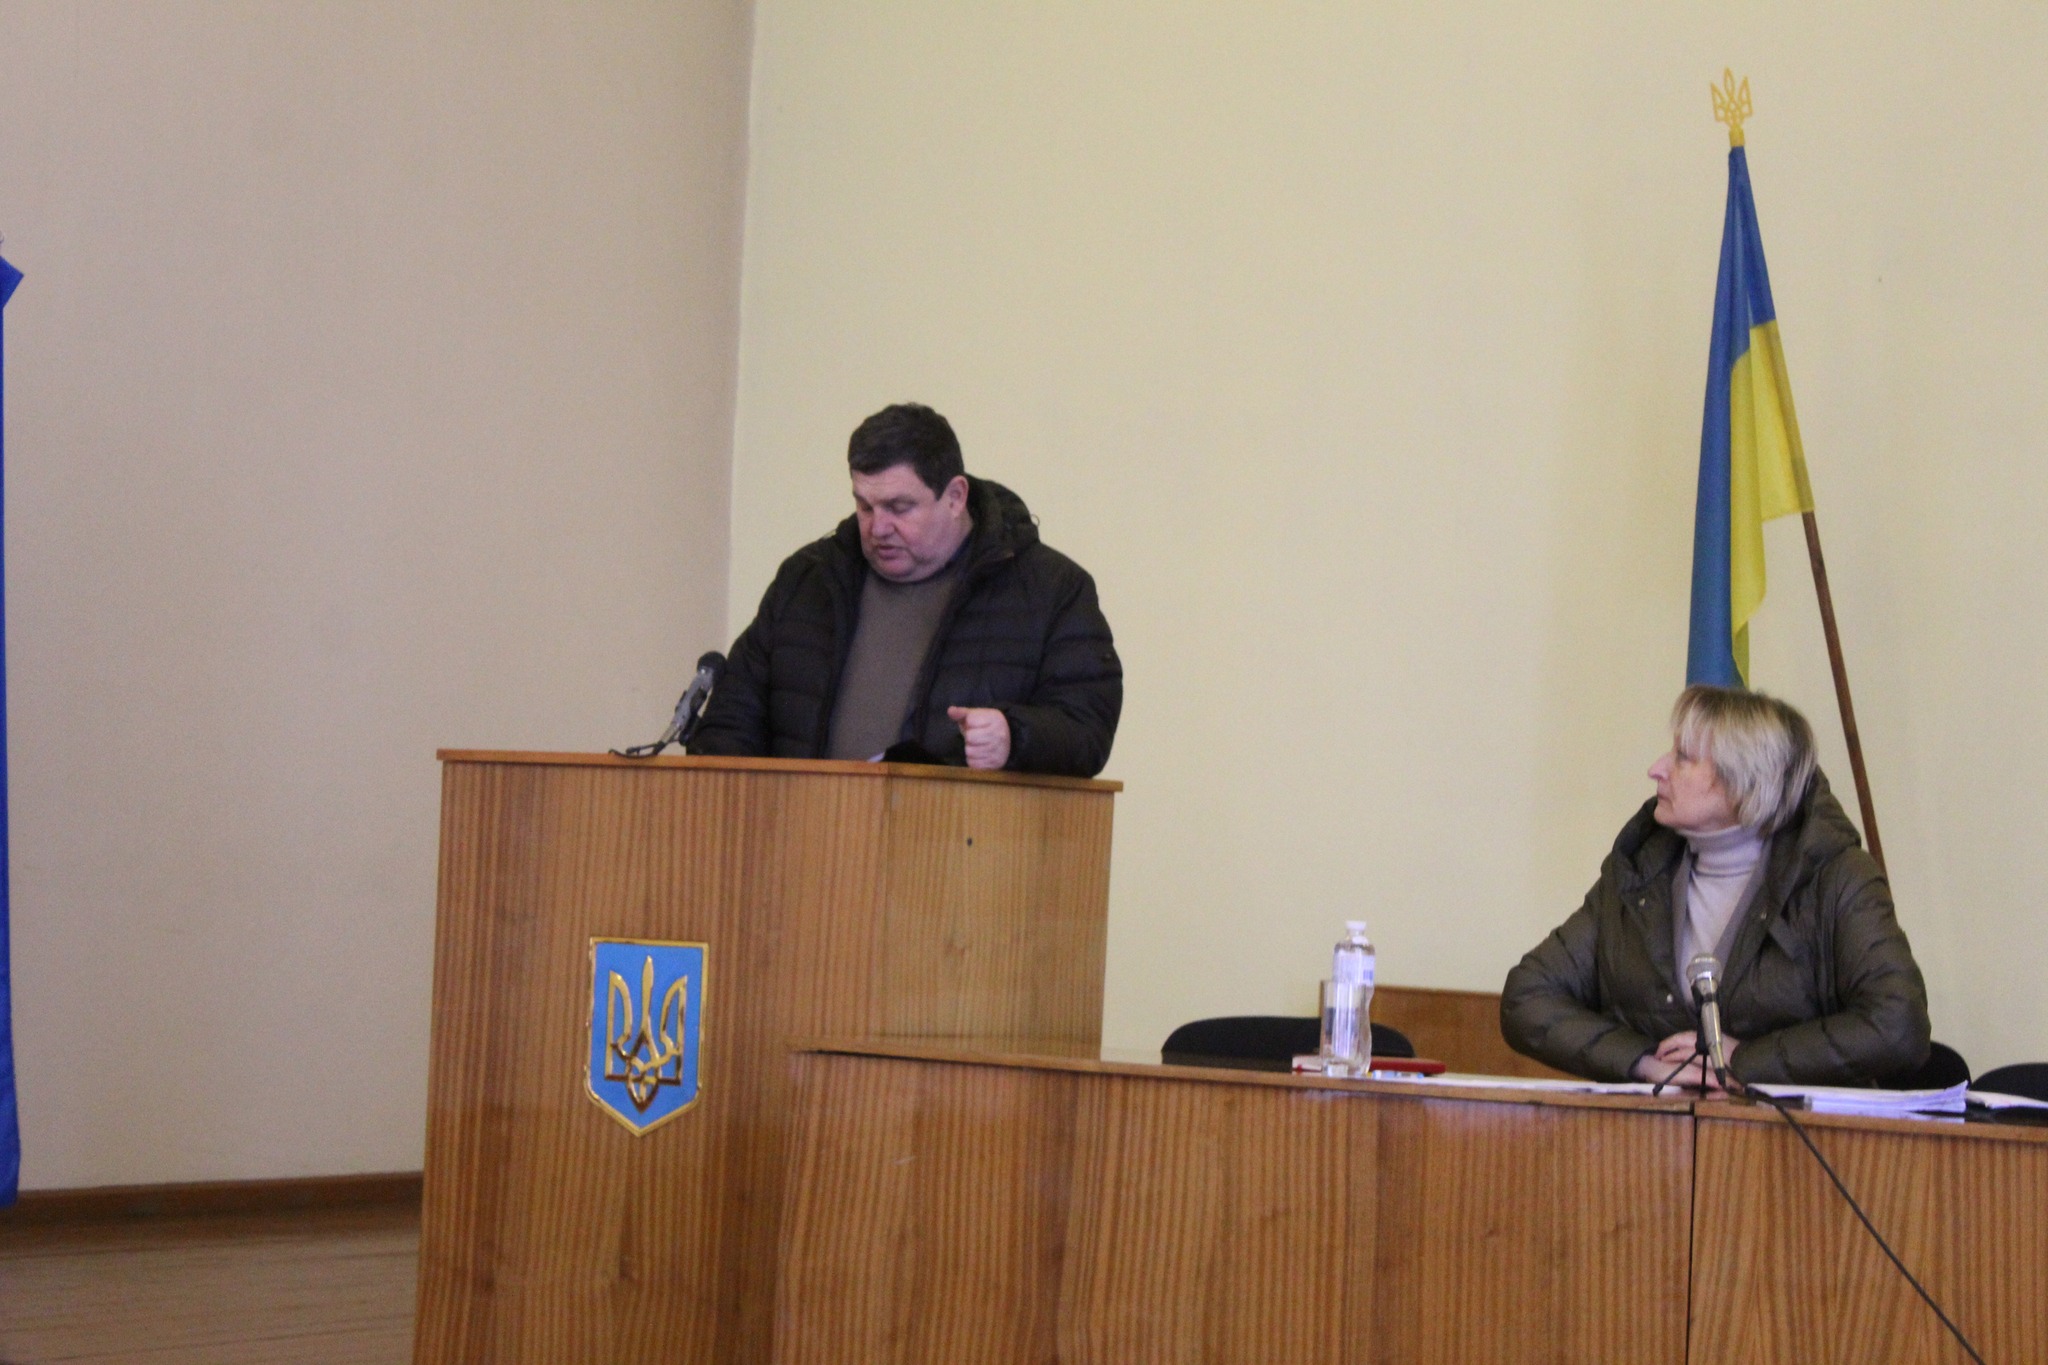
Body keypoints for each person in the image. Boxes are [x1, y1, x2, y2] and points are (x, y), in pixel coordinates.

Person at [1500, 685, 1929, 1089]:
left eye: (1683, 757)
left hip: (1793, 1137)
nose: (1657, 769)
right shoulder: (1637, 871)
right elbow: (1527, 997)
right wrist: (1644, 1062)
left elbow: (1898, 1025)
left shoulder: (1838, 877)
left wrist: (1745, 1060)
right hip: (1652, 1132)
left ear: (1744, 781)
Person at [688, 402, 1121, 777]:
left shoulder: (1051, 591)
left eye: (899, 507)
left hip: (956, 841)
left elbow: (1087, 728)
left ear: (955, 497)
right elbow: (731, 721)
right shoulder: (808, 581)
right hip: (806, 838)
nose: (878, 528)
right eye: (865, 506)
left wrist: (1015, 736)